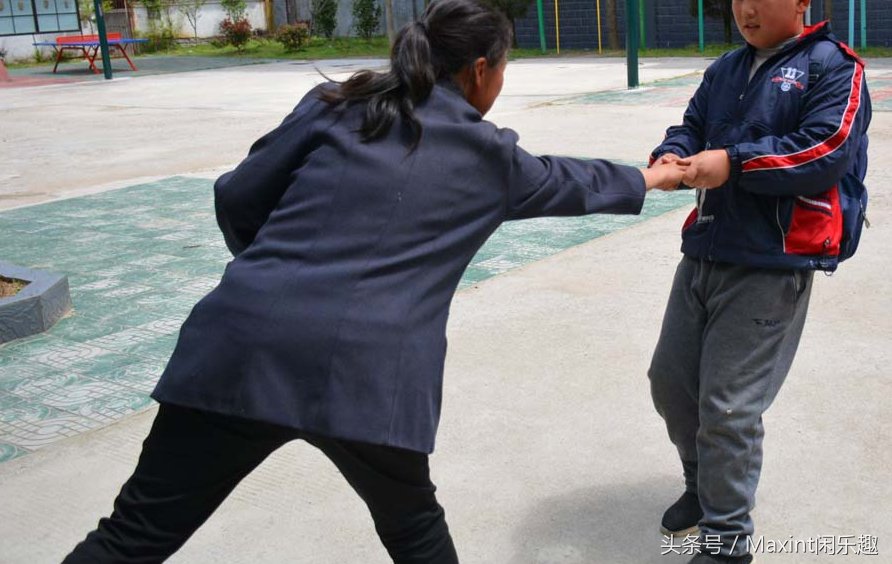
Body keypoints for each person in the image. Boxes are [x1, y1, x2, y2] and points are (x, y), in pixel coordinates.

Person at [64, 1, 686, 562]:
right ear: (479, 69)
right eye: (504, 68)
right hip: (364, 373)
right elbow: (570, 180)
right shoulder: (491, 157)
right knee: (414, 529)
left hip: (241, 345)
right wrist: (659, 176)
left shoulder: (337, 105)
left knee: (132, 535)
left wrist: (279, 275)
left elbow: (238, 194)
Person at [646, 1, 871, 563]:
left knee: (728, 407)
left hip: (773, 262)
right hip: (706, 248)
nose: (745, 8)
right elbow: (691, 124)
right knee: (671, 384)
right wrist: (673, 152)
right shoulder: (726, 67)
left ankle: (727, 542)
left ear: (800, 2)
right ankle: (702, 486)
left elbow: (826, 149)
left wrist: (735, 162)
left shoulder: (833, 67)